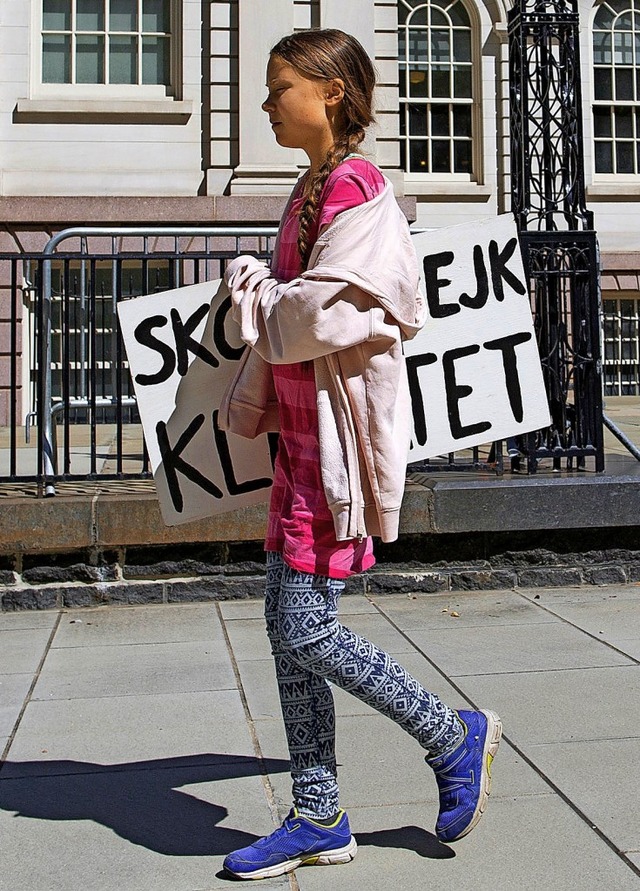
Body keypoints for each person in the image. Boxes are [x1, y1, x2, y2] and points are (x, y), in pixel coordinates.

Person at [219, 28, 502, 881]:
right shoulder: (310, 188)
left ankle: (453, 735)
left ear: (331, 93)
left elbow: (311, 318)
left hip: (333, 456)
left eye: (280, 89)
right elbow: (289, 315)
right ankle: (318, 812)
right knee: (283, 627)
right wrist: (266, 300)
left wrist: (252, 291)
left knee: (305, 624)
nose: (267, 104)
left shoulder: (358, 190)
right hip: (300, 448)